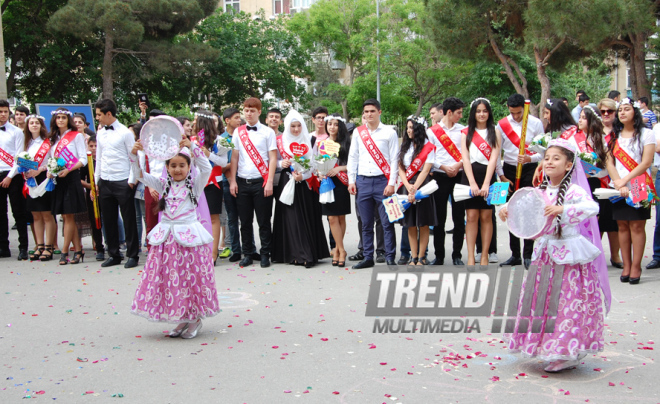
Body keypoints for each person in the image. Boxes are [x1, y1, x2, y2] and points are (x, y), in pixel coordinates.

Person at [501, 138, 608, 373]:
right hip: (545, 254)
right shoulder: (540, 190)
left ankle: (567, 351)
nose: (549, 162)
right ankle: (547, 346)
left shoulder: (574, 190)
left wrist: (564, 210)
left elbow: (593, 208)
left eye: (556, 158)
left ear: (569, 165)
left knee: (567, 304)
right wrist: (506, 210)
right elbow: (522, 209)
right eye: (547, 158)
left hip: (569, 255)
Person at [129, 136, 218, 339]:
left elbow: (206, 168)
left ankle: (195, 318)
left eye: (182, 165)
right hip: (168, 241)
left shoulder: (195, 185)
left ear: (189, 167)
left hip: (189, 241)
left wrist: (192, 146)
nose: (178, 170)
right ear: (167, 167)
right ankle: (182, 317)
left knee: (190, 279)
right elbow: (140, 175)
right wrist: (135, 154)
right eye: (173, 166)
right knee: (173, 280)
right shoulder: (162, 184)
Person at [606, 97, 655, 284]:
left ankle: (636, 266)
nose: (622, 113)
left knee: (636, 225)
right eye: (620, 110)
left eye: (627, 109)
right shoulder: (614, 135)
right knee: (622, 226)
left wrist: (626, 180)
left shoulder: (646, 133)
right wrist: (618, 182)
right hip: (618, 184)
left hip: (639, 183)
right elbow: (609, 161)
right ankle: (626, 265)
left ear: (635, 112)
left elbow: (646, 162)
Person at [272, 110, 329, 267]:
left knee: (304, 217)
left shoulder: (310, 140)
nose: (296, 129)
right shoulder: (280, 141)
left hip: (305, 183)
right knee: (289, 218)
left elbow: (316, 163)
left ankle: (305, 253)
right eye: (292, 126)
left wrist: (303, 177)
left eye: (298, 126)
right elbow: (272, 160)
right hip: (287, 182)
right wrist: (279, 163)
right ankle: (293, 253)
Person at [347, 99, 399, 268]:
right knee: (366, 222)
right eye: (366, 112)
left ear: (379, 112)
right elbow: (353, 157)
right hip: (363, 181)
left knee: (387, 222)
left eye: (372, 111)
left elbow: (394, 160)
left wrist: (391, 183)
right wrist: (351, 180)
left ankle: (390, 256)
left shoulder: (389, 133)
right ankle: (368, 257)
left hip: (383, 182)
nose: (369, 114)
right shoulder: (358, 132)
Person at [495, 94, 545, 269]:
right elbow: (497, 152)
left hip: (529, 170)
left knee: (528, 211)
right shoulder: (502, 125)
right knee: (511, 211)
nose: (516, 116)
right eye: (512, 113)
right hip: (508, 170)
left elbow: (543, 152)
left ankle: (528, 254)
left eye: (519, 113)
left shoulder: (536, 123)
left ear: (524, 108)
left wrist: (530, 160)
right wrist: (501, 175)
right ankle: (515, 254)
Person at [228, 98, 278, 268]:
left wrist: (270, 181)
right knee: (245, 221)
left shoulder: (268, 132)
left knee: (264, 220)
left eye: (252, 110)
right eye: (246, 110)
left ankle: (265, 253)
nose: (248, 113)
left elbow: (272, 158)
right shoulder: (238, 132)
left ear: (259, 112)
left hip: (261, 182)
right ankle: (248, 253)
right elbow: (234, 157)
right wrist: (233, 181)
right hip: (242, 181)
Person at [94, 99, 140, 268]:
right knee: (109, 219)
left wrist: (131, 179)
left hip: (123, 180)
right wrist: (96, 179)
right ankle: (113, 253)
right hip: (105, 180)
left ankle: (133, 254)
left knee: (128, 219)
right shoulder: (100, 133)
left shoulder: (125, 133)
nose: (97, 118)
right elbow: (99, 157)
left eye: (99, 114)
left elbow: (133, 156)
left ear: (108, 114)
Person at [460, 98, 501, 266]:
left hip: (488, 175)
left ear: (489, 112)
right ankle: (471, 256)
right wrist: (472, 183)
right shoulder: (466, 132)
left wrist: (486, 184)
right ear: (473, 113)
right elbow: (465, 158)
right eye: (478, 111)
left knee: (487, 215)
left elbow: (494, 158)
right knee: (471, 216)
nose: (482, 114)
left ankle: (485, 254)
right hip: (470, 176)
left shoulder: (495, 131)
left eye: (484, 111)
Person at [427, 97, 466, 266]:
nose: (460, 116)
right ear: (449, 112)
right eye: (458, 113)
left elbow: (467, 153)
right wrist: (443, 167)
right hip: (439, 176)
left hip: (459, 175)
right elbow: (429, 156)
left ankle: (457, 255)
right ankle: (439, 256)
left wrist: (458, 165)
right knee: (439, 219)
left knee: (459, 217)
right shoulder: (432, 131)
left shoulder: (463, 131)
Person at [47, 108, 88, 265]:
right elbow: (51, 160)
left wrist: (68, 169)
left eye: (64, 117)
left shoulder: (76, 136)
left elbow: (83, 159)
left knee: (69, 216)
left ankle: (64, 251)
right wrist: (51, 172)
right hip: (59, 179)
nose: (61, 120)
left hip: (71, 177)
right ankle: (78, 250)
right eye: (58, 118)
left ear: (68, 119)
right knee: (65, 216)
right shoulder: (53, 138)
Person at [397, 116, 437, 265]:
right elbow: (400, 168)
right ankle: (413, 256)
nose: (409, 131)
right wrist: (408, 186)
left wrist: (415, 188)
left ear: (419, 129)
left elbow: (426, 170)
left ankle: (422, 257)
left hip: (423, 186)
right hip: (407, 185)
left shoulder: (428, 147)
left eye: (412, 128)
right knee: (410, 223)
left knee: (423, 223)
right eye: (407, 128)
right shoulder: (405, 146)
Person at [20, 115, 56, 261]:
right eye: (31, 123)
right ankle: (39, 245)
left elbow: (53, 162)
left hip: (44, 178)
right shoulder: (26, 144)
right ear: (27, 126)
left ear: (42, 125)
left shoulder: (48, 143)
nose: (34, 125)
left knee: (47, 214)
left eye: (37, 123)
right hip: (31, 181)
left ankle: (49, 247)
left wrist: (39, 169)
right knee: (36, 215)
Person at [318, 113, 352, 267]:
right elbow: (319, 162)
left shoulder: (347, 142)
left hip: (341, 182)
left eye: (335, 124)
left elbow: (353, 163)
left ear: (341, 126)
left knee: (340, 218)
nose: (332, 127)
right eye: (329, 123)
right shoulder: (323, 143)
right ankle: (341, 249)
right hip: (327, 182)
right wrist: (320, 172)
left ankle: (338, 249)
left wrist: (339, 168)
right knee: (331, 217)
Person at [195, 110, 228, 264]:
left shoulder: (220, 141)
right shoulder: (192, 141)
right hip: (196, 183)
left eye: (196, 120)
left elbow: (223, 162)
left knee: (214, 218)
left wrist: (208, 154)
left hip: (213, 182)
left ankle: (212, 254)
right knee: (196, 217)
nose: (193, 123)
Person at [0, 100, 29, 260]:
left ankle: (23, 247)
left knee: (19, 212)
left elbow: (20, 157)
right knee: (1, 214)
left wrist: (9, 177)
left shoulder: (16, 132)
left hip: (14, 174)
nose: (3, 114)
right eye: (0, 111)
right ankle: (3, 247)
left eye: (5, 111)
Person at [597, 98, 623, 268]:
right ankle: (595, 257)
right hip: (597, 179)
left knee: (615, 221)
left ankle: (615, 256)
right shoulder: (594, 130)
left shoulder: (621, 131)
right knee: (596, 220)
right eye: (603, 112)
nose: (606, 114)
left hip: (617, 179)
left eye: (610, 111)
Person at [220, 108, 247, 263]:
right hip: (227, 181)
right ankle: (236, 249)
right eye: (236, 117)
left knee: (246, 217)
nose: (239, 120)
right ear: (227, 120)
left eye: (239, 117)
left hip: (244, 179)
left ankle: (249, 248)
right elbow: (222, 166)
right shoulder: (223, 139)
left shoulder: (244, 136)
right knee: (232, 217)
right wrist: (232, 165)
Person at [80, 135, 105, 261]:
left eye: (96, 146)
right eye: (91, 146)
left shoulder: (104, 158)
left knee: (109, 220)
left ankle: (113, 246)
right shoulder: (86, 161)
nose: (94, 148)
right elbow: (80, 179)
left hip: (105, 193)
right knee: (95, 222)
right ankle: (99, 247)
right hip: (92, 194)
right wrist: (91, 187)